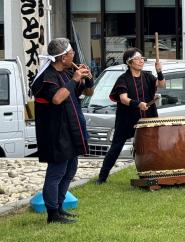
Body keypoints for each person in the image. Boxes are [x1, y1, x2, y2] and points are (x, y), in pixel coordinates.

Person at [31, 38, 93, 224]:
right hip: (55, 132)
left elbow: (87, 93)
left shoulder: (67, 73)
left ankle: (59, 206)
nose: (73, 55)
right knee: (57, 171)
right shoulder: (47, 77)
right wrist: (75, 79)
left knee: (70, 170)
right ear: (62, 57)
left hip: (71, 129)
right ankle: (52, 213)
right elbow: (57, 99)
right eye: (70, 52)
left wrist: (87, 78)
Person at [97, 48, 165, 183]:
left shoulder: (147, 76)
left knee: (151, 145)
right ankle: (102, 177)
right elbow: (123, 98)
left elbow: (161, 84)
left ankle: (151, 174)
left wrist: (159, 71)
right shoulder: (123, 79)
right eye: (138, 58)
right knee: (116, 146)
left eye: (142, 58)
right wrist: (138, 104)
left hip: (148, 116)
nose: (141, 61)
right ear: (129, 62)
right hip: (127, 117)